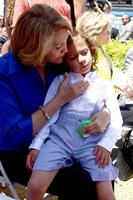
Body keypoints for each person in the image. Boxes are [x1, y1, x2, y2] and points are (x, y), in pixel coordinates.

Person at [0, 4, 110, 200]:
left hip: (63, 139)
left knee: (103, 172)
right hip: (20, 153)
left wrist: (106, 112)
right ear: (36, 47)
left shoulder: (57, 64)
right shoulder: (5, 74)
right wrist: (59, 100)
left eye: (65, 42)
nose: (65, 50)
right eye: (58, 46)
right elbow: (15, 135)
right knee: (83, 182)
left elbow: (94, 88)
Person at [26, 31, 122, 200]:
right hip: (59, 139)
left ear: (91, 51)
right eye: (73, 58)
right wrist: (37, 144)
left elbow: (115, 118)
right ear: (65, 61)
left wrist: (106, 144)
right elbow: (50, 115)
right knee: (34, 186)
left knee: (105, 189)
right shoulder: (61, 81)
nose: (81, 59)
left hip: (91, 143)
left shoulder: (103, 84)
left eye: (84, 52)